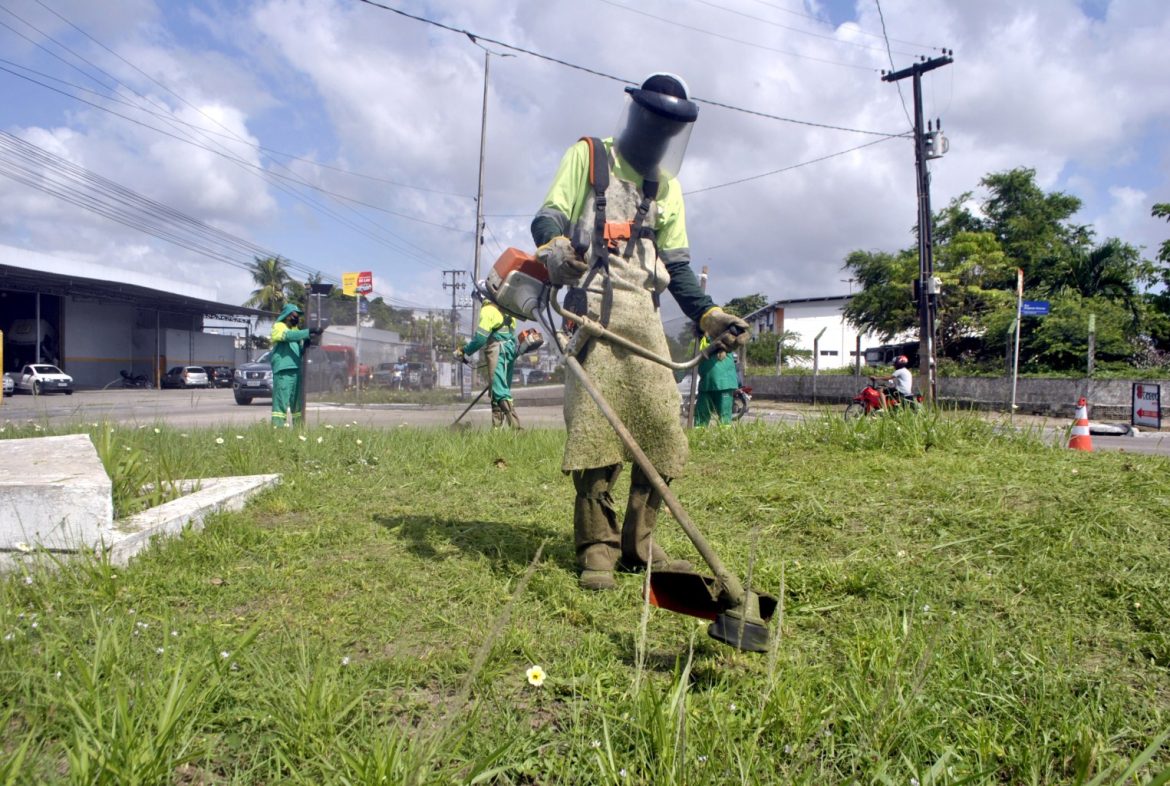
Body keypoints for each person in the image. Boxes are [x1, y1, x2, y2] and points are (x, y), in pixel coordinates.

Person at [530, 72, 750, 591]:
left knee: (662, 430)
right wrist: (555, 248)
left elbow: (677, 270)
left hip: (643, 319)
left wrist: (709, 314)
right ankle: (598, 548)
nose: (662, 139)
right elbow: (547, 217)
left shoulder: (667, 187)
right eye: (657, 127)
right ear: (638, 117)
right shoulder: (589, 156)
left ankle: (640, 542)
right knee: (595, 432)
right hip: (591, 314)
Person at [456, 289, 520, 428]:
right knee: (499, 389)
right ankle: (496, 429)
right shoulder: (507, 309)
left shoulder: (488, 311)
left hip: (498, 351)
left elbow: (480, 339)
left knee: (500, 391)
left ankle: (517, 428)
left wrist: (464, 351)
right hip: (509, 351)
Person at [269, 303, 315, 427]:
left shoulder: (296, 331)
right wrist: (307, 332)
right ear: (287, 316)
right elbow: (288, 336)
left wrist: (304, 346)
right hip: (283, 370)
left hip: (296, 370)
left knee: (297, 404)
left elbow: (297, 348)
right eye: (294, 315)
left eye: (298, 316)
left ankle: (298, 431)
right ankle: (277, 433)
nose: (296, 318)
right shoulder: (279, 326)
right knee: (281, 403)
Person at [695, 334, 739, 426]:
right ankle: (699, 437)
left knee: (724, 417)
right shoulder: (702, 339)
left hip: (724, 384)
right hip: (706, 384)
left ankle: (724, 438)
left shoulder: (726, 336)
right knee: (701, 418)